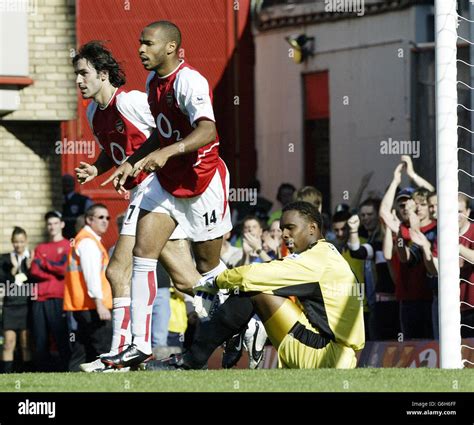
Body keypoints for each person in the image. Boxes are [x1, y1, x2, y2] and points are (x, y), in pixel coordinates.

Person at [100, 20, 233, 368]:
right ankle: (140, 344)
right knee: (144, 253)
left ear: (171, 47)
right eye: (140, 43)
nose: (141, 50)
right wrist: (134, 161)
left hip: (202, 180)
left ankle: (239, 323)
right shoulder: (151, 82)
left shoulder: (190, 80)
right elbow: (162, 133)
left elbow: (208, 130)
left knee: (207, 267)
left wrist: (168, 152)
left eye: (148, 43)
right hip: (167, 182)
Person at [72, 41, 201, 372]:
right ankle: (240, 313)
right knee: (187, 280)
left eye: (83, 73)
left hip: (154, 188)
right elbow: (112, 151)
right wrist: (96, 167)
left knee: (117, 270)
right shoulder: (91, 113)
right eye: (76, 74)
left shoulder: (130, 101)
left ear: (103, 74)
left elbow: (164, 133)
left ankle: (120, 355)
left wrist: (146, 166)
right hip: (143, 193)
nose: (78, 81)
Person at [148, 202, 365, 370]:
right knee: (251, 286)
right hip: (338, 353)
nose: (285, 235)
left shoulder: (315, 261)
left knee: (251, 288)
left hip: (326, 356)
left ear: (312, 228)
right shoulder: (326, 254)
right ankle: (237, 332)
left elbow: (254, 275)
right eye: (282, 229)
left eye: (290, 228)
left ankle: (193, 359)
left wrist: (215, 281)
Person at [63, 204, 113, 371]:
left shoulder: (85, 240)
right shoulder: (88, 242)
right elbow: (91, 275)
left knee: (82, 347)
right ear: (89, 220)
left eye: (107, 218)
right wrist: (99, 303)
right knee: (103, 346)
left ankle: (75, 375)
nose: (105, 221)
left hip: (82, 304)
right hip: (92, 304)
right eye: (101, 217)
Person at [29, 211, 71, 371]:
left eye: (55, 223)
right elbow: (34, 271)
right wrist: (51, 267)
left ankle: (66, 369)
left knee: (60, 336)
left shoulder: (68, 245)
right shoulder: (41, 247)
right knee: (40, 339)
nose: (52, 226)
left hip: (58, 297)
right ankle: (42, 371)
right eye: (49, 224)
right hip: (39, 298)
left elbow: (63, 270)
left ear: (61, 224)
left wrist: (44, 263)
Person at [0, 227, 33, 373]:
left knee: (26, 343)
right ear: (12, 242)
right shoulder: (5, 259)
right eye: (15, 242)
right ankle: (6, 375)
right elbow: (1, 280)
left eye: (21, 242)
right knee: (8, 343)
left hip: (26, 305)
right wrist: (12, 270)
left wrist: (31, 268)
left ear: (25, 241)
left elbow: (36, 280)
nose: (18, 245)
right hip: (10, 306)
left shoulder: (32, 257)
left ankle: (27, 374)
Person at [62, 174, 94, 240]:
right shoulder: (56, 200)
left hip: (78, 236)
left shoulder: (84, 200)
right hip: (62, 237)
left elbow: (92, 217)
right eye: (65, 182)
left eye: (69, 182)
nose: (67, 184)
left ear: (73, 184)